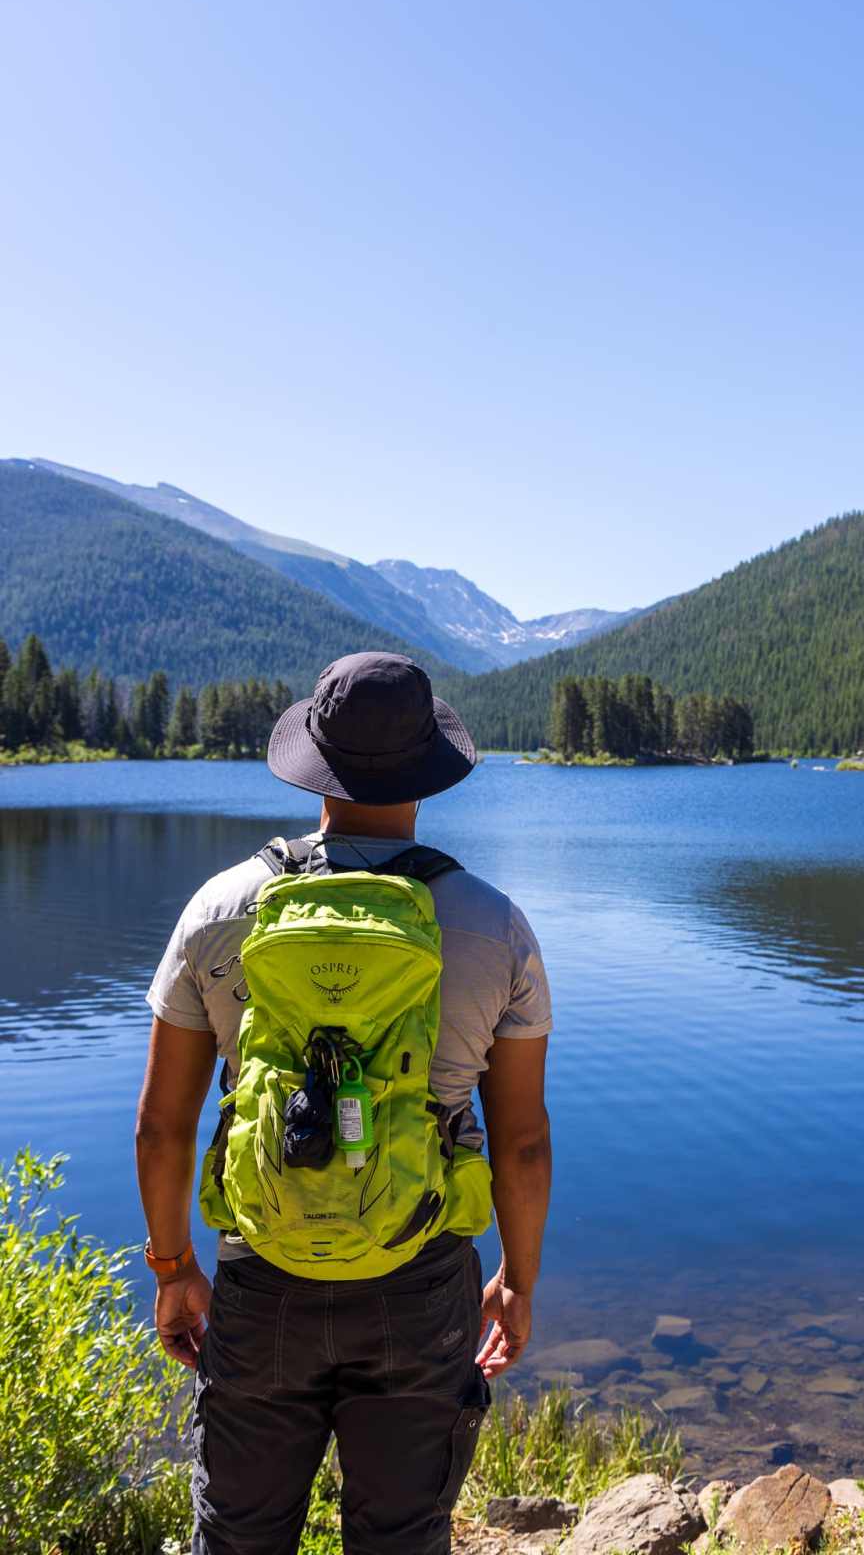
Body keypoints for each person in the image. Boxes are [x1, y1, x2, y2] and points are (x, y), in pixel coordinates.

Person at [135, 652, 553, 1555]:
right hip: (420, 1274)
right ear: (427, 771)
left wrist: (173, 1270)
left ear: (312, 762)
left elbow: (162, 1127)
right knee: (399, 1536)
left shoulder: (221, 907)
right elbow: (520, 1142)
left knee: (240, 1537)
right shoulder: (492, 926)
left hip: (263, 1267)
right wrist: (516, 1281)